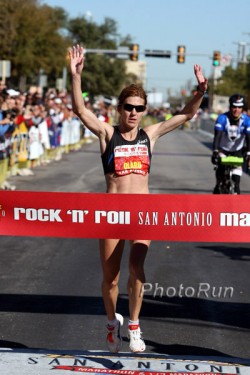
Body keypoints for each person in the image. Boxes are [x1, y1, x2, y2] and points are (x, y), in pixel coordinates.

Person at [69, 44, 208, 353]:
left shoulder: (151, 135)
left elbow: (186, 114)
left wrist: (199, 91)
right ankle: (110, 324)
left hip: (142, 213)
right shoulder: (107, 134)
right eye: (129, 107)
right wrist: (76, 77)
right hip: (111, 215)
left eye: (139, 108)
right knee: (111, 279)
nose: (133, 113)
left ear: (144, 111)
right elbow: (80, 111)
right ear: (120, 108)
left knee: (137, 270)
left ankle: (133, 326)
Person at [211, 94, 250, 194]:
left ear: (242, 108)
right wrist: (215, 151)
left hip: (238, 150)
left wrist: (249, 153)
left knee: (236, 183)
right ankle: (218, 184)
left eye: (239, 107)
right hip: (223, 149)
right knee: (220, 173)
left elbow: (249, 138)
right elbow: (217, 137)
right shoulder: (222, 118)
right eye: (234, 106)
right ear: (230, 107)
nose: (236, 109)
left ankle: (235, 190)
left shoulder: (246, 120)